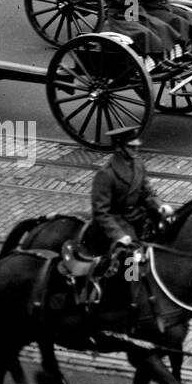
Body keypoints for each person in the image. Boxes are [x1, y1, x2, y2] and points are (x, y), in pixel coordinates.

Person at [79, 124, 169, 304]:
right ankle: (129, 293)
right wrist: (119, 235)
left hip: (137, 216)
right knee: (131, 254)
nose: (136, 149)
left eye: (136, 145)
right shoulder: (106, 174)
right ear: (119, 147)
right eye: (131, 146)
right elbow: (101, 212)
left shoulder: (138, 164)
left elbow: (147, 193)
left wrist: (160, 207)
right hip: (116, 220)